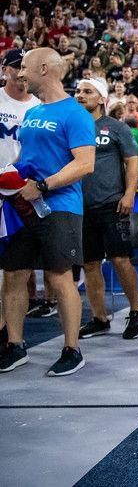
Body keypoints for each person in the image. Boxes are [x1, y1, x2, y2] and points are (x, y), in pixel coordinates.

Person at [0, 48, 95, 376]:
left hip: (60, 208)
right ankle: (15, 345)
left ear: (44, 68)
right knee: (13, 274)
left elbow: (85, 164)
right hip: (23, 207)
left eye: (24, 67)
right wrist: (8, 178)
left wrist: (41, 186)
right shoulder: (32, 113)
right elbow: (26, 159)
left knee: (59, 277)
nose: (20, 73)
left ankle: (72, 349)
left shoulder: (76, 114)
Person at [73, 79, 138, 340]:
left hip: (111, 203)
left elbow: (132, 161)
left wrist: (128, 194)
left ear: (102, 98)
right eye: (79, 91)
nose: (81, 95)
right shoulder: (71, 127)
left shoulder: (115, 128)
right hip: (80, 206)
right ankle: (99, 318)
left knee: (120, 259)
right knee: (90, 263)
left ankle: (136, 310)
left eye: (87, 92)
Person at [0, 49, 40, 345]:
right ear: (6, 70)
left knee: (17, 269)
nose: (21, 73)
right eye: (16, 67)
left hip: (23, 194)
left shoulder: (40, 107)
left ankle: (8, 331)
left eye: (24, 67)